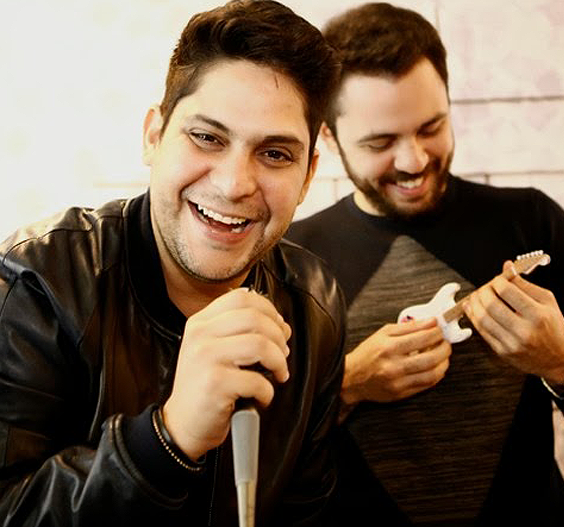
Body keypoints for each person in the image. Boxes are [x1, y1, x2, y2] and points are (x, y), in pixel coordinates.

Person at [0, 1, 345, 525]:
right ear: (154, 136)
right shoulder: (40, 283)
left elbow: (306, 513)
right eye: (207, 138)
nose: (233, 184)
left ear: (308, 175)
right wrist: (166, 439)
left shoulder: (314, 304)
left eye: (275, 154)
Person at [287, 3, 564, 526]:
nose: (414, 160)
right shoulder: (292, 260)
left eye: (431, 127)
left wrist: (563, 362)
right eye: (380, 142)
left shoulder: (532, 221)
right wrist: (348, 384)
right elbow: (258, 458)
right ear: (328, 137)